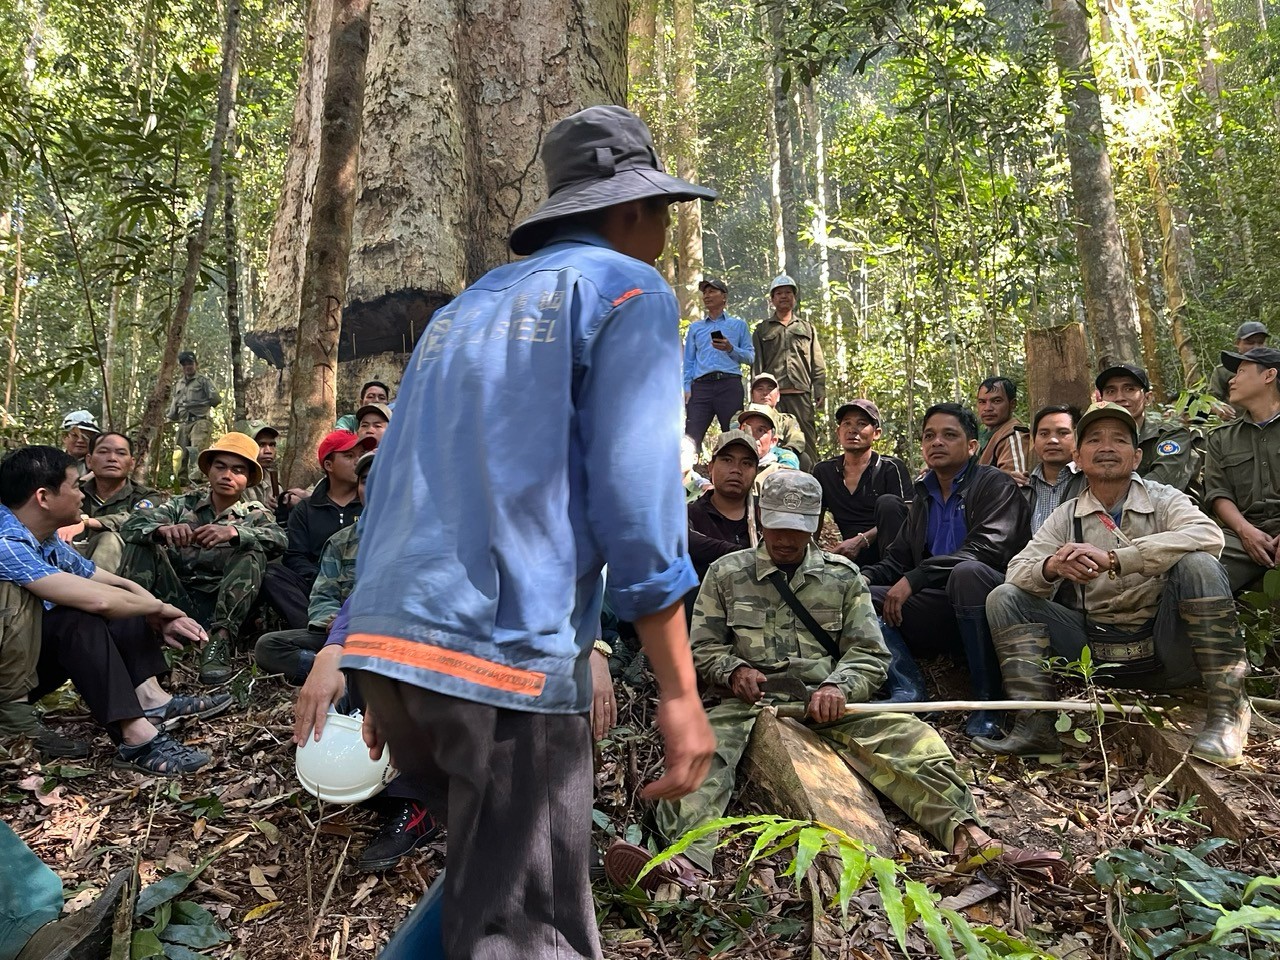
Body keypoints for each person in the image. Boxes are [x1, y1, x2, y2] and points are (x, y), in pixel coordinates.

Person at [340, 105, 715, 959]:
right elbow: (640, 503)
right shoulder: (630, 290)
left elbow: (395, 482)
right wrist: (681, 695)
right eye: (661, 209)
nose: (664, 225)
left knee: (489, 880)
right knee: (527, 931)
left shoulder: (462, 310)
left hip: (398, 654)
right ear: (627, 212)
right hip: (501, 662)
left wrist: (365, 642)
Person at [604, 471, 1017, 890]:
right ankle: (682, 865)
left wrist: (839, 687)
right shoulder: (727, 573)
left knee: (911, 738)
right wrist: (733, 671)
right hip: (742, 703)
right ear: (760, 519)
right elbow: (702, 647)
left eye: (797, 531)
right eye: (776, 528)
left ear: (817, 525)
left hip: (826, 702)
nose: (784, 540)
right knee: (699, 756)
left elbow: (870, 653)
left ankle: (972, 837)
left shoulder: (843, 577)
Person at [976, 402, 1249, 766]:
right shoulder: (1066, 515)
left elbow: (1208, 534)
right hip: (1097, 653)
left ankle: (1229, 710)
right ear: (1078, 456)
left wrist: (1119, 559)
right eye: (1094, 440)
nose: (1106, 447)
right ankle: (1036, 726)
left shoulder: (1163, 498)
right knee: (1005, 597)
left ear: (1136, 456)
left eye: (1119, 440)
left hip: (1168, 647)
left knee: (1199, 564)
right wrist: (1053, 566)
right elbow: (1018, 570)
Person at [0, 446, 226, 772]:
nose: (82, 495)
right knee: (77, 617)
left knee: (119, 602)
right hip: (9, 681)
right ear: (43, 497)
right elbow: (98, 601)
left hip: (21, 664)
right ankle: (136, 737)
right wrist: (160, 608)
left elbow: (109, 584)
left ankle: (152, 701)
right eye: (75, 486)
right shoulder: (7, 541)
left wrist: (152, 608)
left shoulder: (43, 537)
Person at [861, 403, 1030, 735]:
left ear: (971, 446)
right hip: (938, 606)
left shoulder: (995, 484)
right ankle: (908, 688)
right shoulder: (923, 494)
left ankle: (988, 704)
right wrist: (861, 577)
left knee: (967, 574)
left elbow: (987, 549)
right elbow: (898, 559)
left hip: (992, 605)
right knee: (858, 595)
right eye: (929, 436)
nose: (936, 442)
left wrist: (918, 576)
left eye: (949, 435)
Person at [120, 433, 287, 685]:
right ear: (209, 469)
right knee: (141, 544)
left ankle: (219, 643)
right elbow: (131, 525)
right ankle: (131, 631)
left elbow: (279, 539)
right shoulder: (181, 505)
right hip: (177, 600)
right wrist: (161, 531)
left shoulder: (254, 514)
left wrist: (235, 532)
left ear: (248, 479)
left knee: (252, 549)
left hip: (226, 605)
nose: (227, 475)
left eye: (238, 470)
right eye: (220, 466)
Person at [261, 430, 374, 630]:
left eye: (360, 454)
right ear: (328, 465)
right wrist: (320, 577)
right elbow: (294, 555)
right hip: (314, 583)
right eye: (349, 456)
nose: (357, 461)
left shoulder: (370, 503)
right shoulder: (306, 508)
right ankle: (316, 629)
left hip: (358, 587)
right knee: (272, 575)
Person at [1204, 346, 1280, 593]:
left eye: (1241, 371)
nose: (1232, 380)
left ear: (1268, 376)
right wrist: (1246, 532)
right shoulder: (1220, 438)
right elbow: (1218, 493)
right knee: (1197, 569)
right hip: (1242, 535)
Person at [812, 399, 911, 566]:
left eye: (861, 423)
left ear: (877, 433)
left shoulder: (890, 468)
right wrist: (811, 557)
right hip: (850, 557)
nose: (852, 430)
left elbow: (908, 515)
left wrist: (861, 540)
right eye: (847, 424)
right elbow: (814, 518)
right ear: (838, 432)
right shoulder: (824, 471)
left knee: (889, 504)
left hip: (893, 556)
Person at [57, 432, 163, 574]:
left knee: (109, 539)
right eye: (103, 452)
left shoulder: (146, 496)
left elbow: (137, 519)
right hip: (66, 569)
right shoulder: (73, 492)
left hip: (127, 574)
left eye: (120, 453)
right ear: (89, 460)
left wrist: (86, 522)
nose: (112, 458)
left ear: (131, 463)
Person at [752, 274, 826, 470]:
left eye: (787, 293)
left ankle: (812, 478)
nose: (783, 296)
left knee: (807, 439)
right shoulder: (762, 330)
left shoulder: (807, 328)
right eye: (778, 293)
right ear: (772, 300)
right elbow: (757, 365)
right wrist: (756, 396)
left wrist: (819, 389)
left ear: (794, 298)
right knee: (767, 436)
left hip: (800, 394)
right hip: (771, 396)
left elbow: (816, 361)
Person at [1096, 363, 1198, 494]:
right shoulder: (1094, 441)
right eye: (1111, 391)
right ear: (1101, 401)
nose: (1119, 398)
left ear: (1148, 398)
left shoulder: (1171, 435)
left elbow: (1160, 485)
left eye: (1129, 389)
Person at [682, 278, 753, 450]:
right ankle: (689, 474)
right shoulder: (695, 328)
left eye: (712, 291)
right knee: (691, 437)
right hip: (701, 387)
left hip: (729, 385)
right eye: (705, 293)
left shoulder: (738, 325)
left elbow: (751, 357)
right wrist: (686, 388)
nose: (707, 296)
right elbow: (689, 360)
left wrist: (730, 348)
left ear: (724, 297)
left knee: (734, 436)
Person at [687, 429, 758, 592]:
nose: (736, 470)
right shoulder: (690, 514)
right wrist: (749, 555)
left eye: (746, 463)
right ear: (711, 467)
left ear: (756, 472)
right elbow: (689, 542)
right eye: (727, 460)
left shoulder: (766, 515)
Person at [1024, 405, 1084, 533]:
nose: (1052, 440)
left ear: (1078, 438)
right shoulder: (1023, 487)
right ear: (1034, 441)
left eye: (1063, 433)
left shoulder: (1090, 481)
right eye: (1044, 434)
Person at [165, 351, 222, 486]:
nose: (188, 367)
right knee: (180, 453)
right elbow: (175, 404)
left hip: (200, 420)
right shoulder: (179, 384)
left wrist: (200, 404)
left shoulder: (203, 381)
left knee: (196, 451)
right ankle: (181, 483)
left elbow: (216, 399)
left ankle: (197, 482)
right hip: (184, 422)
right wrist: (169, 417)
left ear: (196, 364)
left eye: (190, 363)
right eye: (184, 365)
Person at [975, 376, 1030, 482]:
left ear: (1012, 404)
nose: (988, 408)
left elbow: (1017, 485)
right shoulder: (985, 436)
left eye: (996, 401)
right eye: (982, 402)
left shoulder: (1014, 436)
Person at [1208, 321, 1269, 415]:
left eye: (1260, 343)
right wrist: (1219, 408)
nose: (1256, 347)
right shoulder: (1224, 370)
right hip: (1235, 425)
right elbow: (1211, 399)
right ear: (1237, 343)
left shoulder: (1272, 368)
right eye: (1250, 343)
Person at [736, 404, 798, 494]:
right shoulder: (727, 463)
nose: (752, 435)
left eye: (761, 430)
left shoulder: (777, 472)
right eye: (746, 428)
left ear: (773, 441)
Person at [747, 372, 806, 463]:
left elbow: (797, 440)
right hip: (747, 454)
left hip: (780, 457)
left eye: (770, 389)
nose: (765, 393)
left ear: (778, 396)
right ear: (752, 395)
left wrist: (783, 454)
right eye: (760, 389)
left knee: (804, 459)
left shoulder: (786, 420)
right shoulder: (741, 417)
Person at [241, 421, 282, 515]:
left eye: (272, 445)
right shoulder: (236, 479)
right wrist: (261, 507)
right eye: (261, 445)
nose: (268, 451)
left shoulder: (272, 480)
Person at [59, 410, 100, 478]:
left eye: (86, 437)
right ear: (64, 437)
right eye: (75, 435)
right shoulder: (53, 462)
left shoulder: (99, 464)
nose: (80, 440)